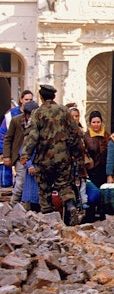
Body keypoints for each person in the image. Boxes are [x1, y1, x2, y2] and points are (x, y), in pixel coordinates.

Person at [19, 84, 84, 224]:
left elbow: (32, 136)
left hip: (44, 159)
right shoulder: (65, 111)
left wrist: (25, 155)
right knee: (65, 185)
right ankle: (71, 206)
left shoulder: (37, 113)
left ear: (41, 97)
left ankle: (49, 220)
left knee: (44, 189)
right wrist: (76, 153)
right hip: (63, 158)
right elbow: (75, 133)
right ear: (54, 96)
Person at [3, 100, 37, 206]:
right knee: (20, 184)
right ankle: (12, 207)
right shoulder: (16, 121)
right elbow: (8, 138)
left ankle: (27, 209)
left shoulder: (39, 123)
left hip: (34, 157)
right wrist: (7, 156)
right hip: (20, 156)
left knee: (31, 186)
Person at [0, 90, 33, 187]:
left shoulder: (35, 113)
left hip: (29, 153)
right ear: (21, 100)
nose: (28, 101)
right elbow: (5, 135)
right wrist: (4, 153)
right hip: (15, 151)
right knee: (12, 181)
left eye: (30, 99)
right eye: (26, 99)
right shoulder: (11, 115)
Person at [83, 110, 108, 221]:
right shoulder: (86, 137)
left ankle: (102, 216)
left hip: (103, 169)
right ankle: (90, 216)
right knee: (92, 194)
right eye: (94, 122)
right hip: (91, 171)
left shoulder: (107, 136)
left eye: (98, 122)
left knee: (103, 193)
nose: (96, 125)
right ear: (90, 123)